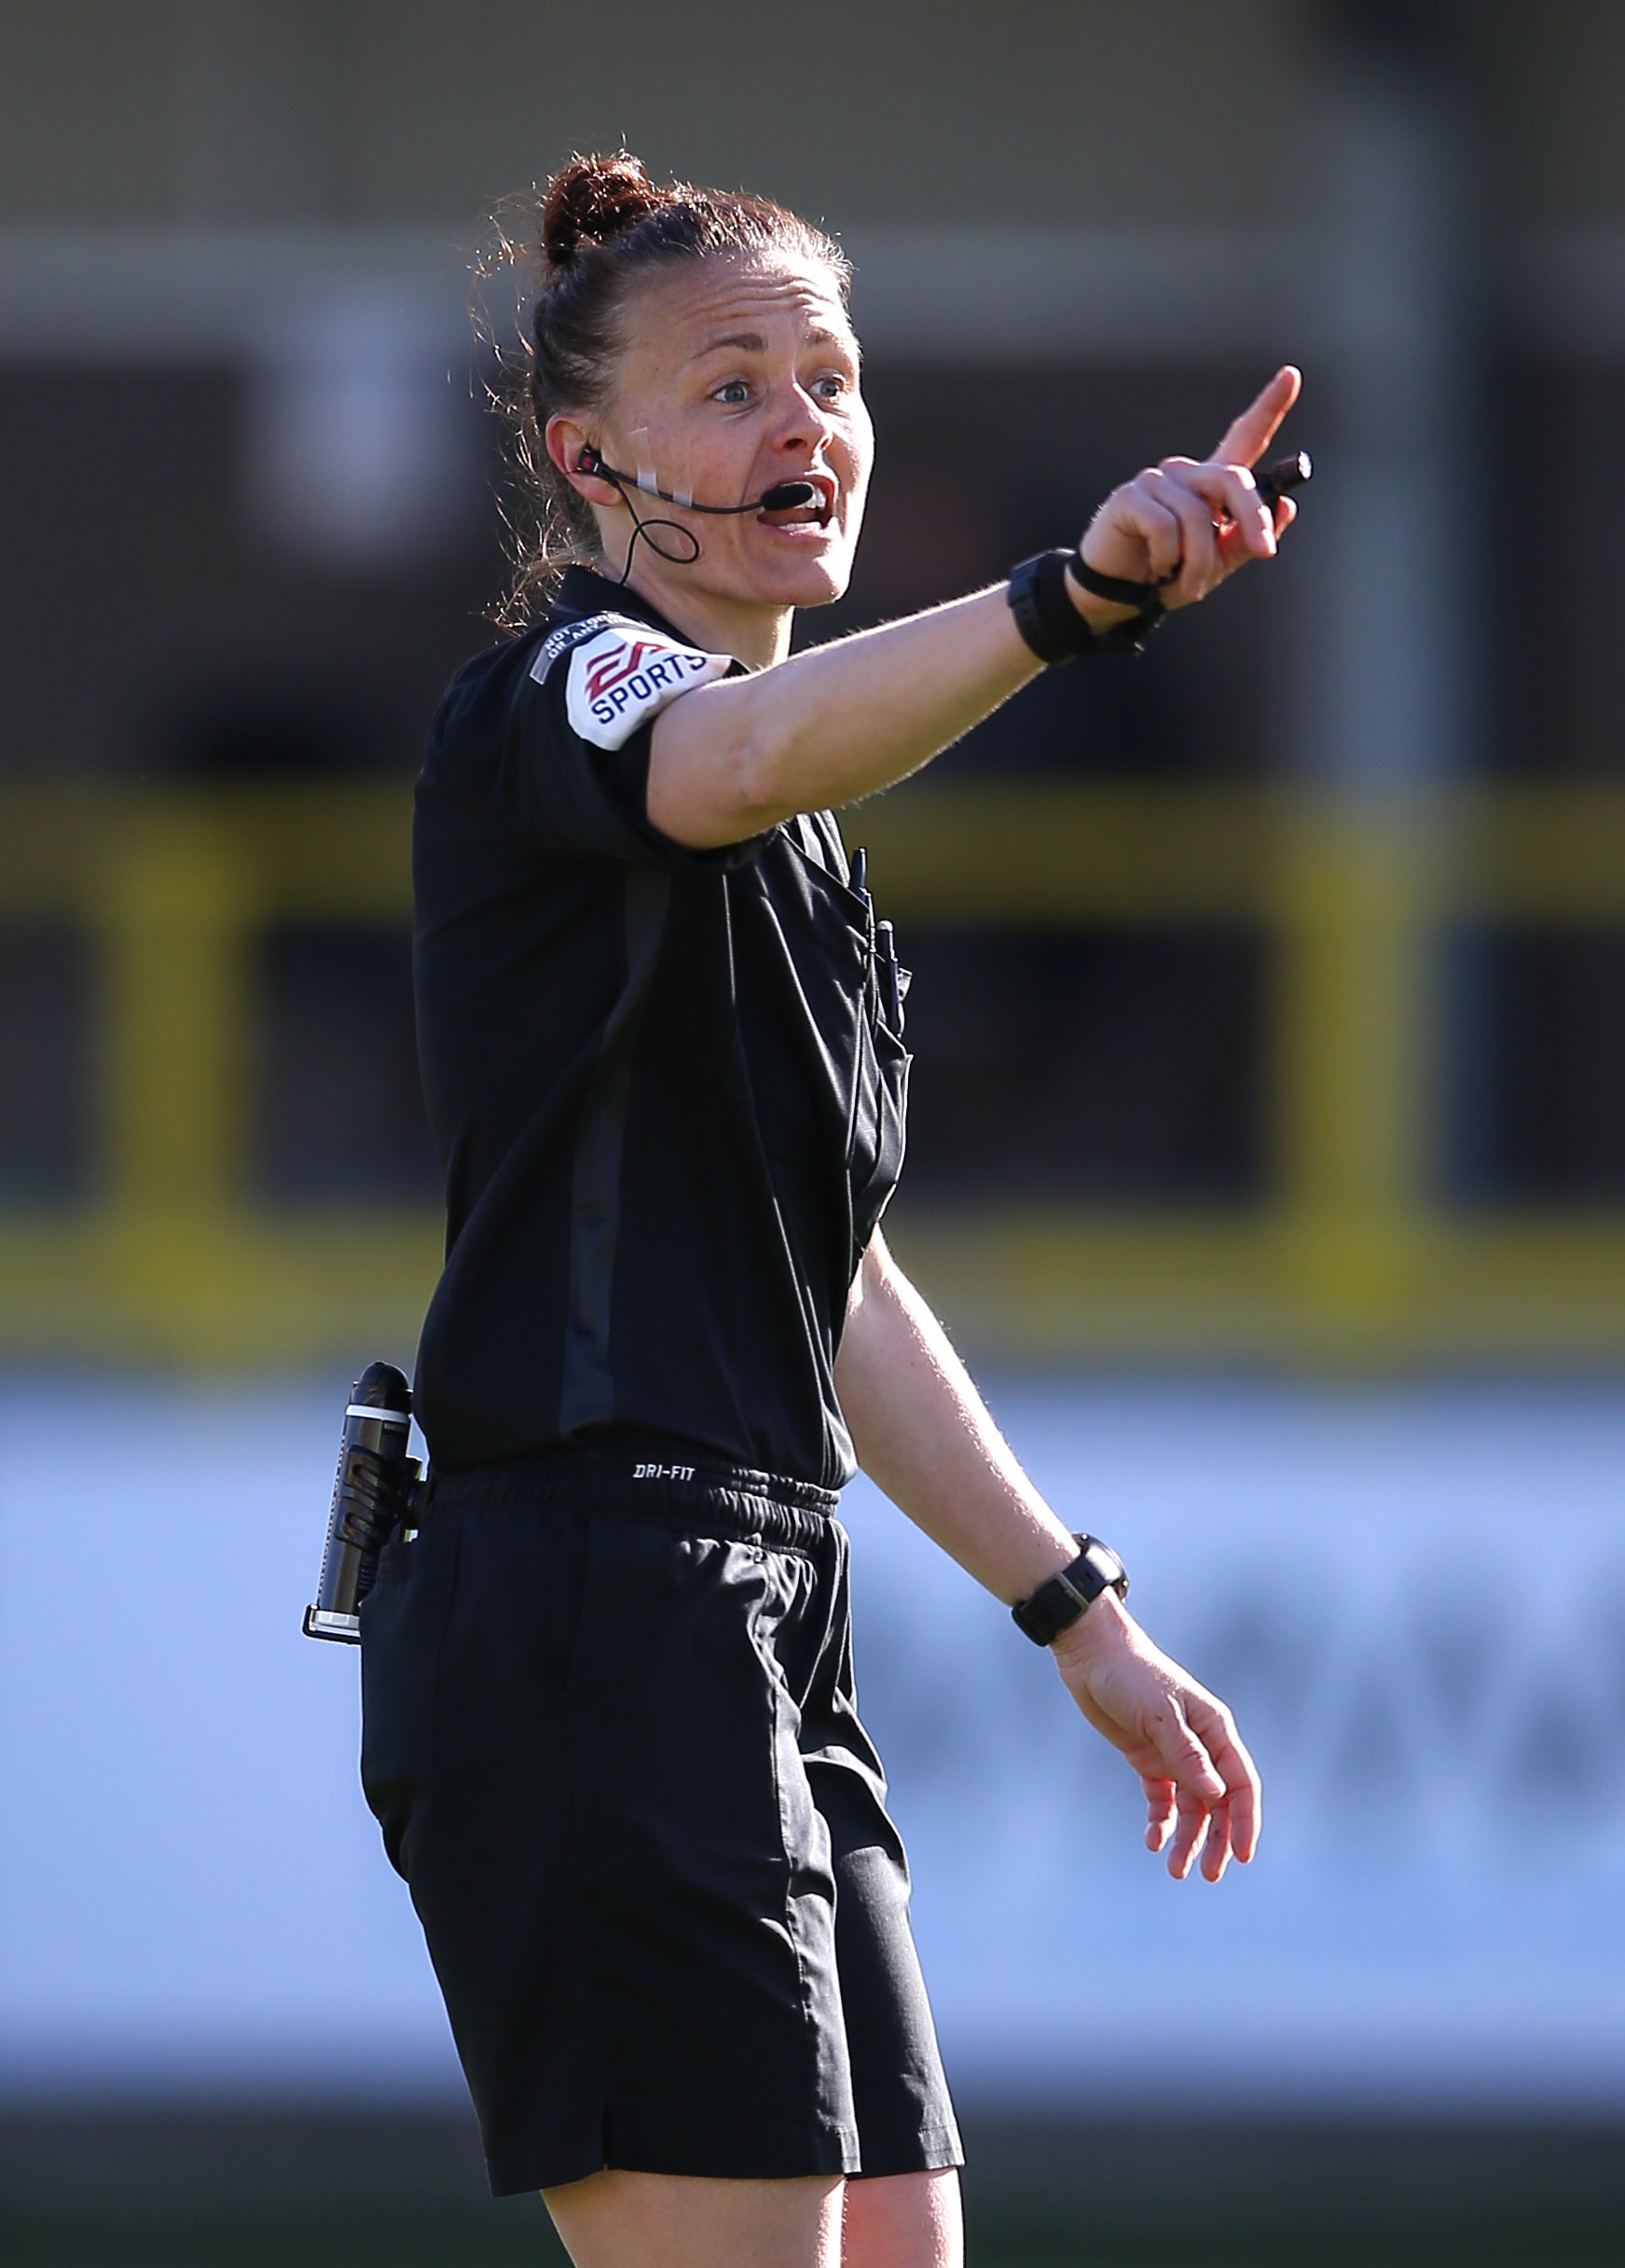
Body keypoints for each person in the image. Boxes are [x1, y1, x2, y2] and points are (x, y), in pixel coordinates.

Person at [361, 150, 1299, 2268]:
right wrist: (1073, 599)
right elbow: (730, 748)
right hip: (599, 1599)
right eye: (734, 385)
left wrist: (1084, 1617)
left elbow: (834, 1284)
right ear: (589, 461)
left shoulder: (803, 846)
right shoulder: (567, 698)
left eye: (833, 375)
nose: (806, 423)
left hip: (759, 1612)